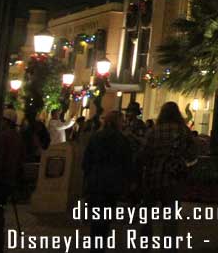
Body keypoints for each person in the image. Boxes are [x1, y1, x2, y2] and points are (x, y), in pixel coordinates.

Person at [137, 102, 197, 240]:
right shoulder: (183, 131)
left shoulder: (154, 131)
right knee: (170, 216)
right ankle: (169, 245)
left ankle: (146, 242)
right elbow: (193, 153)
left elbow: (144, 153)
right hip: (174, 178)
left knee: (147, 213)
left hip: (153, 176)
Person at [83, 111, 133, 252]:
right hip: (112, 182)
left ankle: (95, 246)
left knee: (96, 218)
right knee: (105, 217)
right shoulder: (121, 140)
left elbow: (86, 161)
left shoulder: (96, 137)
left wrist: (88, 176)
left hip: (96, 180)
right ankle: (101, 245)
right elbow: (127, 162)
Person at [0, 109, 24, 253]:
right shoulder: (17, 137)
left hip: (1, 179)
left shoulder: (4, 136)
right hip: (9, 180)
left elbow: (1, 159)